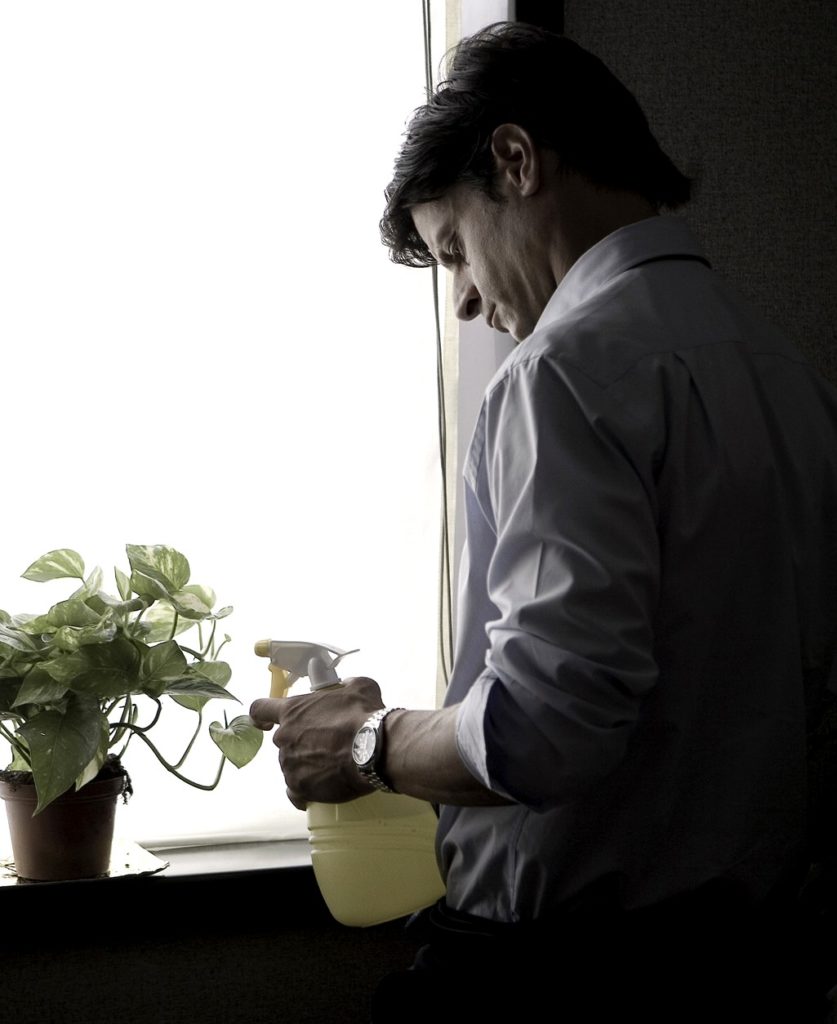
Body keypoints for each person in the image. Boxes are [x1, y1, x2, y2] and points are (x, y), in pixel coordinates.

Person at [251, 21, 837, 1023]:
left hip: (568, 981)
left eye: (454, 252)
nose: (471, 301)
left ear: (516, 161)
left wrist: (364, 740)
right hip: (757, 967)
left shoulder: (563, 371)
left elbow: (544, 730)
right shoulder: (789, 375)